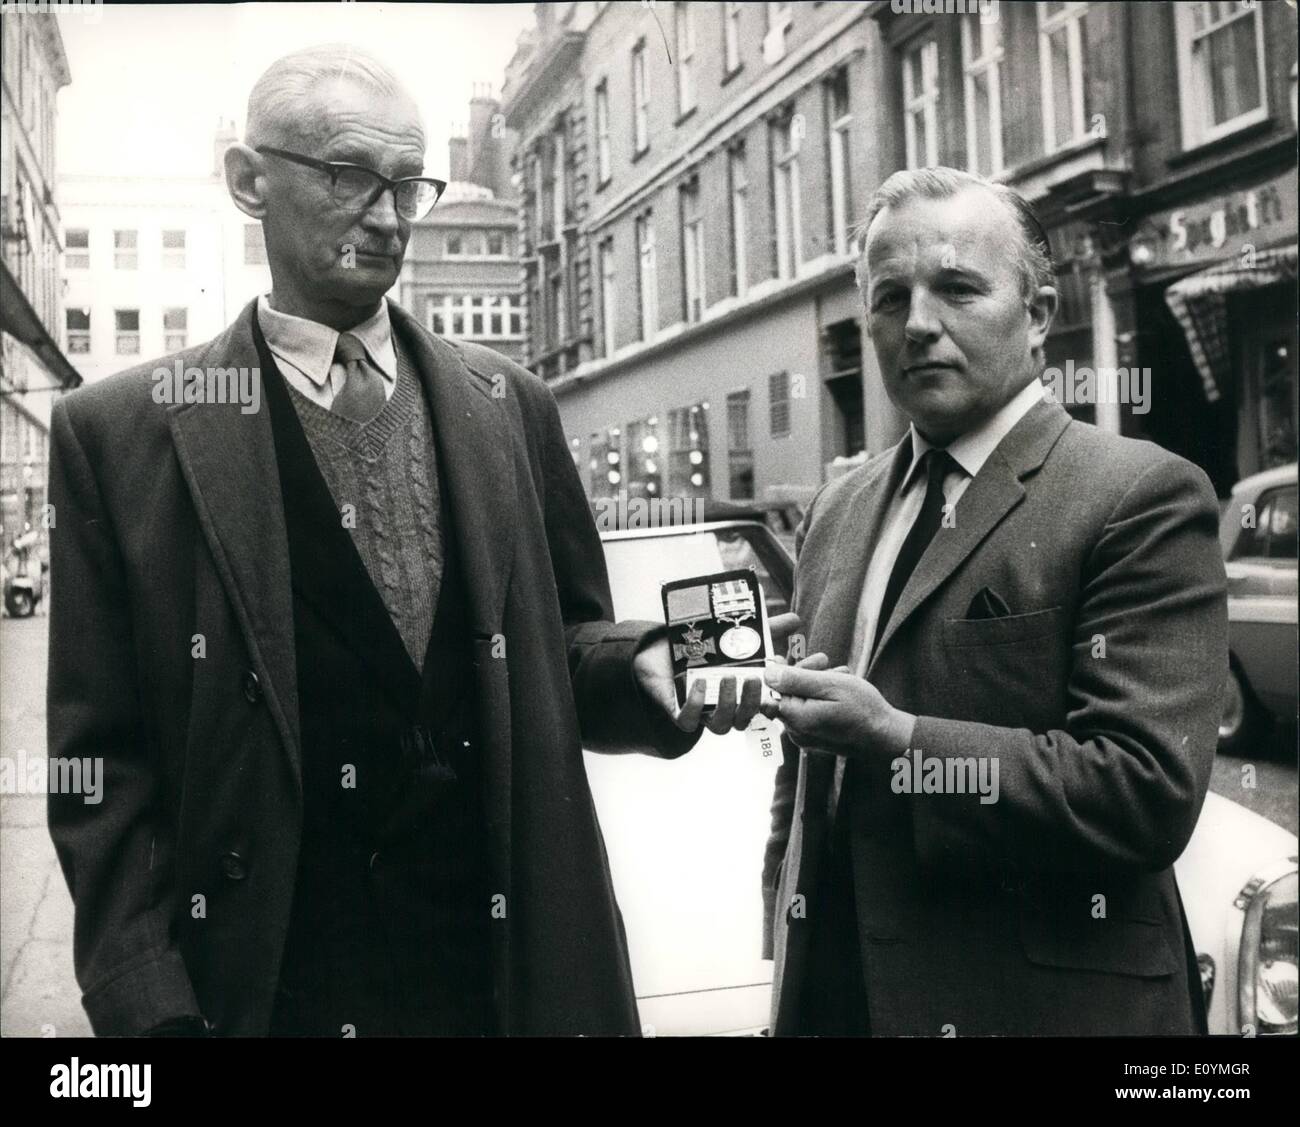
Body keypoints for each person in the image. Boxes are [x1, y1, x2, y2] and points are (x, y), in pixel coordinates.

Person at [46, 44, 771, 1038]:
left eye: (407, 185)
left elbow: (561, 644)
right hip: (269, 988)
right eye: (349, 177)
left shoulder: (508, 404)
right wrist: (151, 1008)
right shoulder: (121, 434)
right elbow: (100, 768)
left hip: (494, 978)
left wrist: (644, 665)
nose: (385, 217)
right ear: (248, 181)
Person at [760, 167, 1227, 1037]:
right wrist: (784, 936)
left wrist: (901, 741)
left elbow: (1145, 788)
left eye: (958, 289)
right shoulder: (838, 509)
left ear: (1040, 315)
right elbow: (804, 769)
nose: (919, 324)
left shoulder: (1142, 495)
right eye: (889, 297)